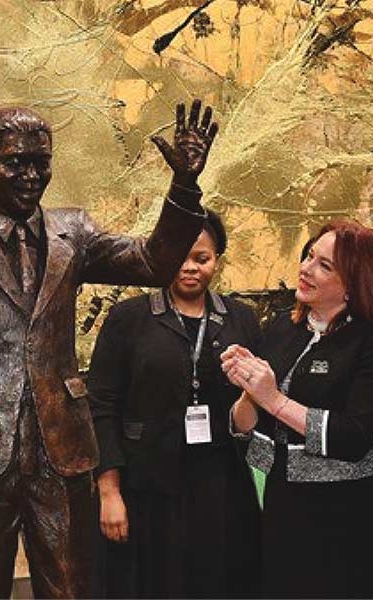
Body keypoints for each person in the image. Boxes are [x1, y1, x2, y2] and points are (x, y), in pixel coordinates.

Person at [0, 99, 217, 598]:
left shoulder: (73, 231)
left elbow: (152, 262)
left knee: (71, 590)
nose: (31, 174)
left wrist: (184, 186)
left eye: (41, 162)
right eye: (15, 162)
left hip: (61, 450)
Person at [222, 219, 373, 598]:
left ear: (354, 283)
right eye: (309, 256)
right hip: (279, 506)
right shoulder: (281, 328)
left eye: (325, 265)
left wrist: (273, 398)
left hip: (347, 517)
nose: (306, 269)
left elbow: (353, 436)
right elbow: (244, 429)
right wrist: (248, 386)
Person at [88, 210, 260, 598]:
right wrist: (109, 492)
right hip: (145, 488)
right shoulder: (128, 318)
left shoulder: (241, 320)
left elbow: (257, 407)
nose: (190, 268)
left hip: (220, 489)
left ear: (217, 259)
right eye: (180, 256)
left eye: (202, 258)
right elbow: (101, 406)